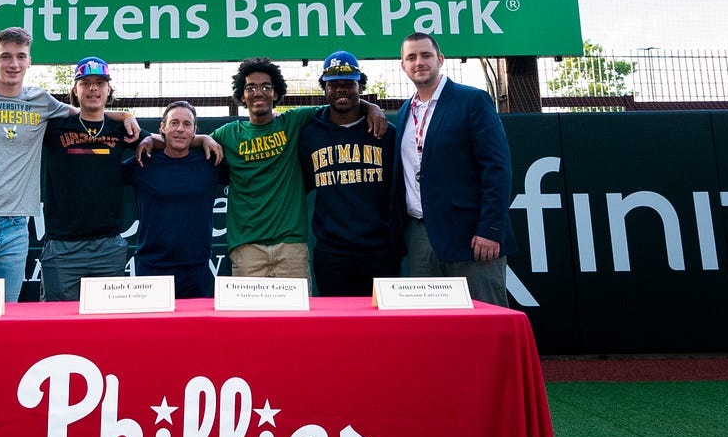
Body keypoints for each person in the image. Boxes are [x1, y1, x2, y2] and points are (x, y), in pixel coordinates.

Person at [0, 28, 139, 302]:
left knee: (5, 315)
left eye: (21, 56)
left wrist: (126, 114)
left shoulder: (41, 101)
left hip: (15, 227)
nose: (14, 63)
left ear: (29, 61)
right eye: (6, 56)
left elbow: (89, 113)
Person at [140, 57, 387, 279]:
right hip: (247, 249)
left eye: (266, 87)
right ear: (242, 95)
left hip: (291, 247)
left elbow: (339, 102)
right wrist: (163, 139)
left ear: (276, 94)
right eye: (251, 87)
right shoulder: (228, 134)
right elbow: (180, 139)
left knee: (297, 325)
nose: (259, 92)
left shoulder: (294, 122)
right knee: (250, 327)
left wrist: (370, 107)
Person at [394, 32, 517, 306]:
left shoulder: (472, 101)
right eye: (411, 57)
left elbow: (497, 168)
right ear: (403, 66)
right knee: (429, 329)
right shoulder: (404, 112)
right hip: (420, 238)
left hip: (471, 237)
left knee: (483, 324)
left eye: (426, 55)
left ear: (440, 59)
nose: (419, 62)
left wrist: (490, 229)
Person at [298, 50, 398, 296]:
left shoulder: (386, 132)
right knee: (339, 329)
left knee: (382, 328)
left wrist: (372, 108)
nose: (341, 90)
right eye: (333, 85)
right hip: (332, 252)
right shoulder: (309, 134)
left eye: (348, 84)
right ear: (324, 88)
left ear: (360, 87)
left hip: (380, 250)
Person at [38, 56, 136, 301]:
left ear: (108, 89)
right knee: (57, 328)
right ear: (75, 89)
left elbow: (161, 142)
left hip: (108, 246)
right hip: (62, 246)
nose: (93, 88)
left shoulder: (121, 129)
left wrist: (203, 140)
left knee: (107, 329)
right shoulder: (56, 126)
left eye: (100, 83)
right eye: (86, 82)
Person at [122, 101, 225, 298]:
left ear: (195, 130)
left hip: (197, 269)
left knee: (196, 329)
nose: (180, 129)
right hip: (151, 268)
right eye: (174, 123)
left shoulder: (211, 163)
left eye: (187, 124)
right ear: (162, 127)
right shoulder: (141, 163)